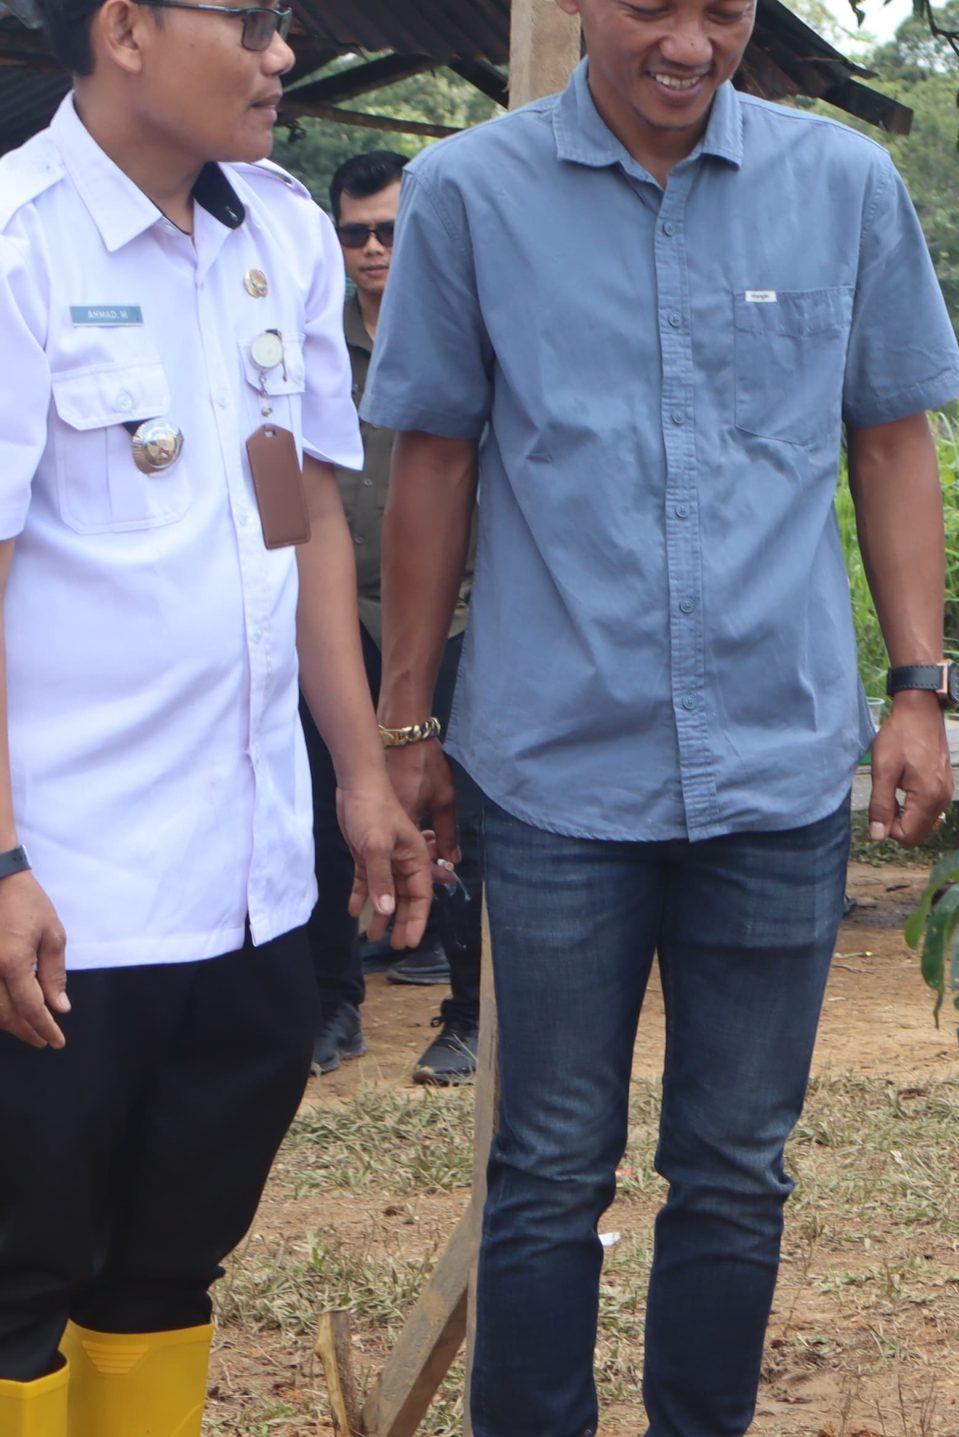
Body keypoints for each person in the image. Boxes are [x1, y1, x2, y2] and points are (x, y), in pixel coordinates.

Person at [360, 0, 959, 1428]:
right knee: (548, 1166)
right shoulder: (468, 193)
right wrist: (407, 725)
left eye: (725, 10)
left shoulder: (843, 187)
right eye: (652, 6)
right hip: (555, 771)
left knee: (738, 1167)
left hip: (776, 764)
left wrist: (919, 689)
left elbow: (891, 439)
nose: (690, 43)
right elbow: (434, 460)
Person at [0, 0, 433, 1431]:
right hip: (67, 896)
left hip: (249, 882)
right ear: (124, 27)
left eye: (282, 21)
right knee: (19, 1280)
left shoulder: (281, 237)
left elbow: (295, 517)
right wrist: (2, 864)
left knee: (169, 1265)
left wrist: (358, 777)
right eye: (246, 20)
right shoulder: (18, 249)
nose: (280, 55)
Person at [303, 148, 486, 1085]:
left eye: (389, 229)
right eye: (354, 234)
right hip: (335, 617)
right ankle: (332, 1004)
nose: (373, 249)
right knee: (323, 809)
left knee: (454, 810)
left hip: (454, 617)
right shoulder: (309, 336)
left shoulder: (464, 321)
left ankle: (470, 1008)